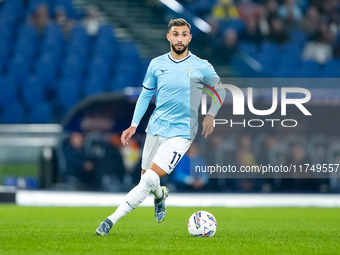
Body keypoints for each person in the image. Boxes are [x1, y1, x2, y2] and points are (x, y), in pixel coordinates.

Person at [95, 18, 226, 236]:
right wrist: (134, 125)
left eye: (184, 34)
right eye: (175, 34)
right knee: (147, 179)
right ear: (168, 36)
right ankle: (160, 196)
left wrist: (211, 115)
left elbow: (220, 90)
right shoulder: (157, 64)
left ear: (190, 38)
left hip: (182, 132)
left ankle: (109, 221)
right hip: (155, 128)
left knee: (148, 179)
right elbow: (145, 95)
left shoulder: (202, 66)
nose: (180, 38)